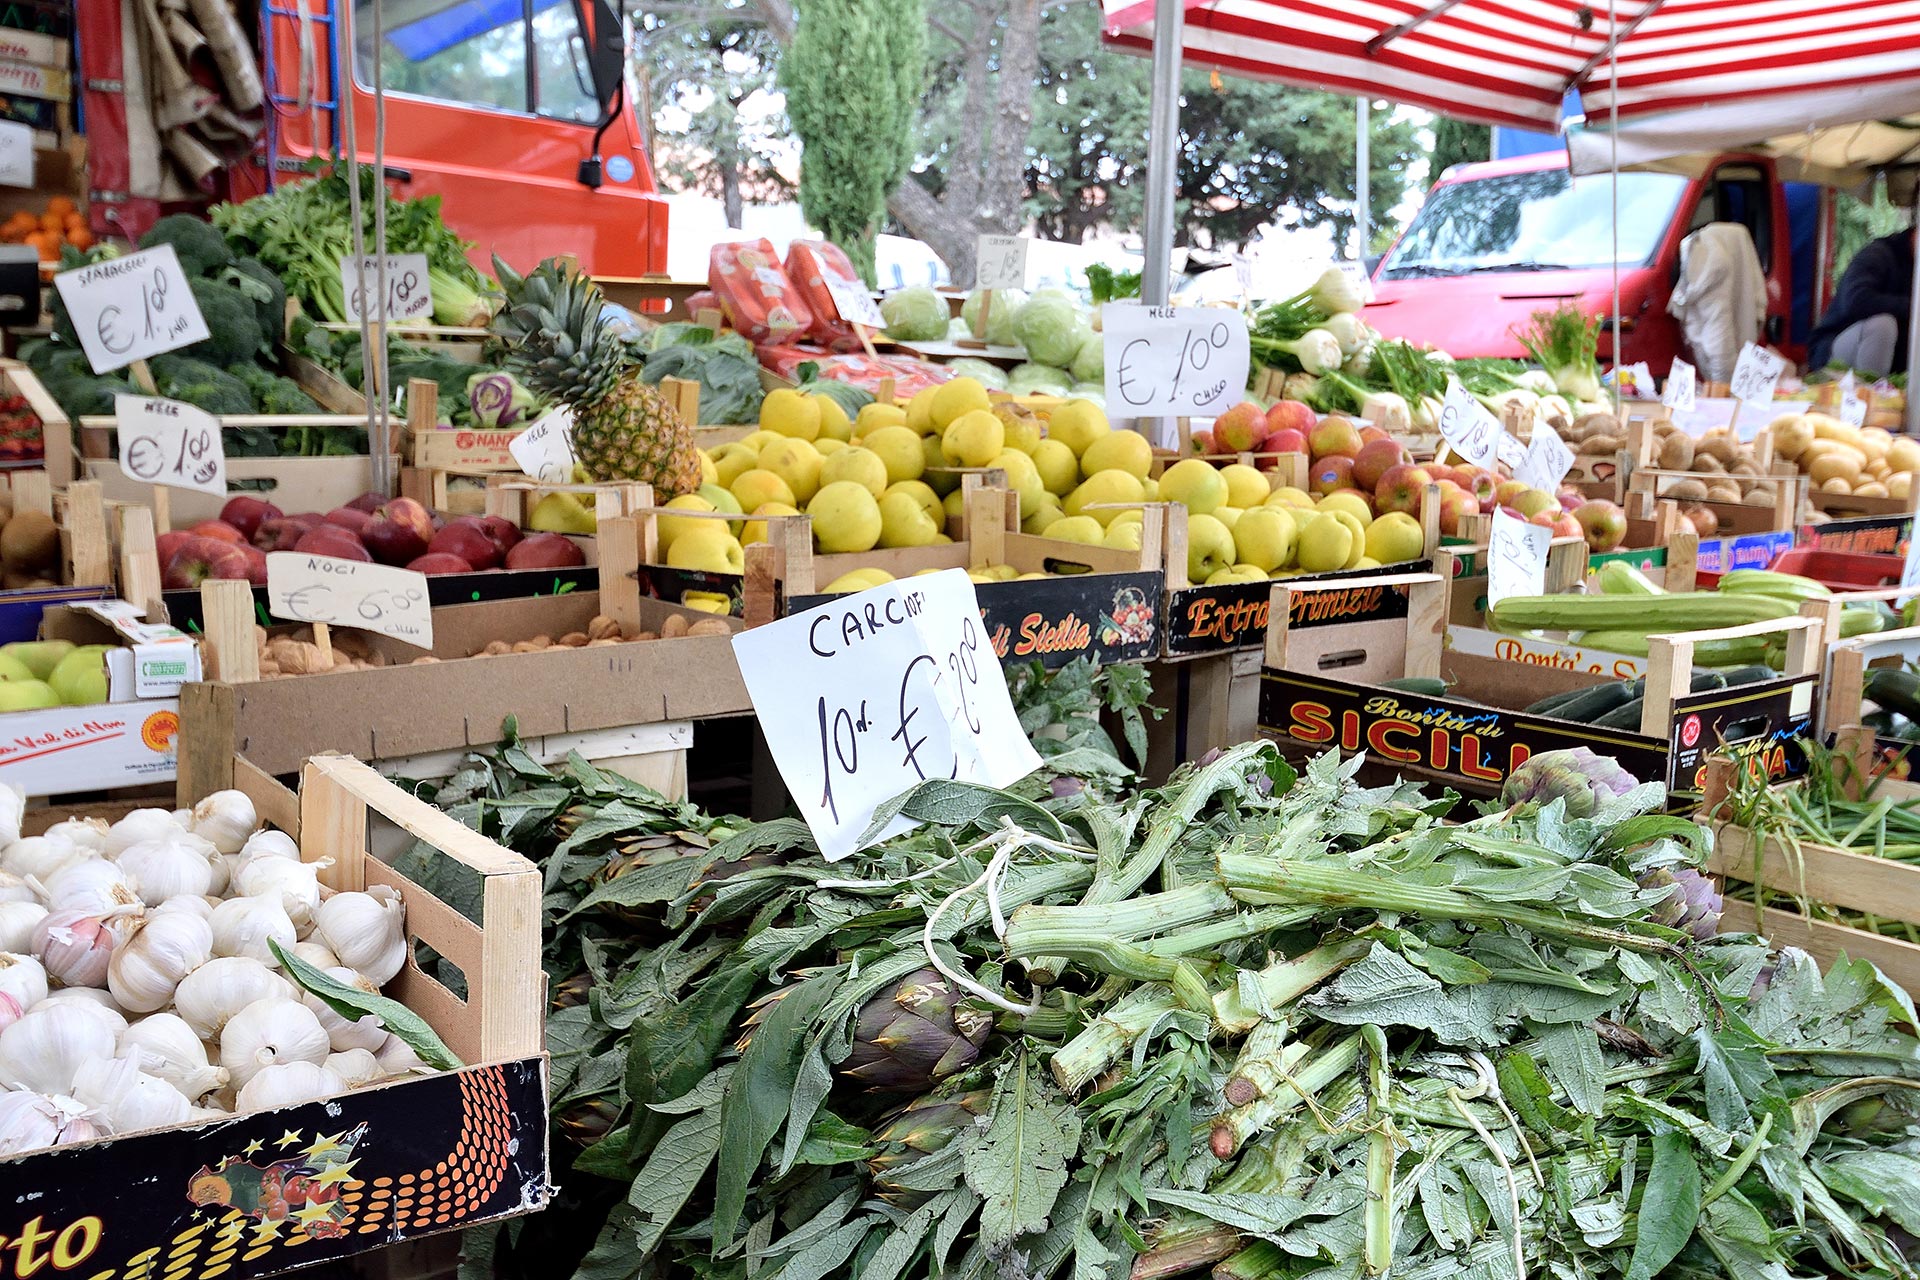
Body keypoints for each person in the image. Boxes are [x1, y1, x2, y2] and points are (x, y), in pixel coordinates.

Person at [1809, 227, 1916, 376]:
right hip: (1835, 351)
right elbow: (1855, 301)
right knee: (1883, 325)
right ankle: (1870, 394)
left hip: (1895, 365)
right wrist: (1914, 307)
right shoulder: (1878, 254)